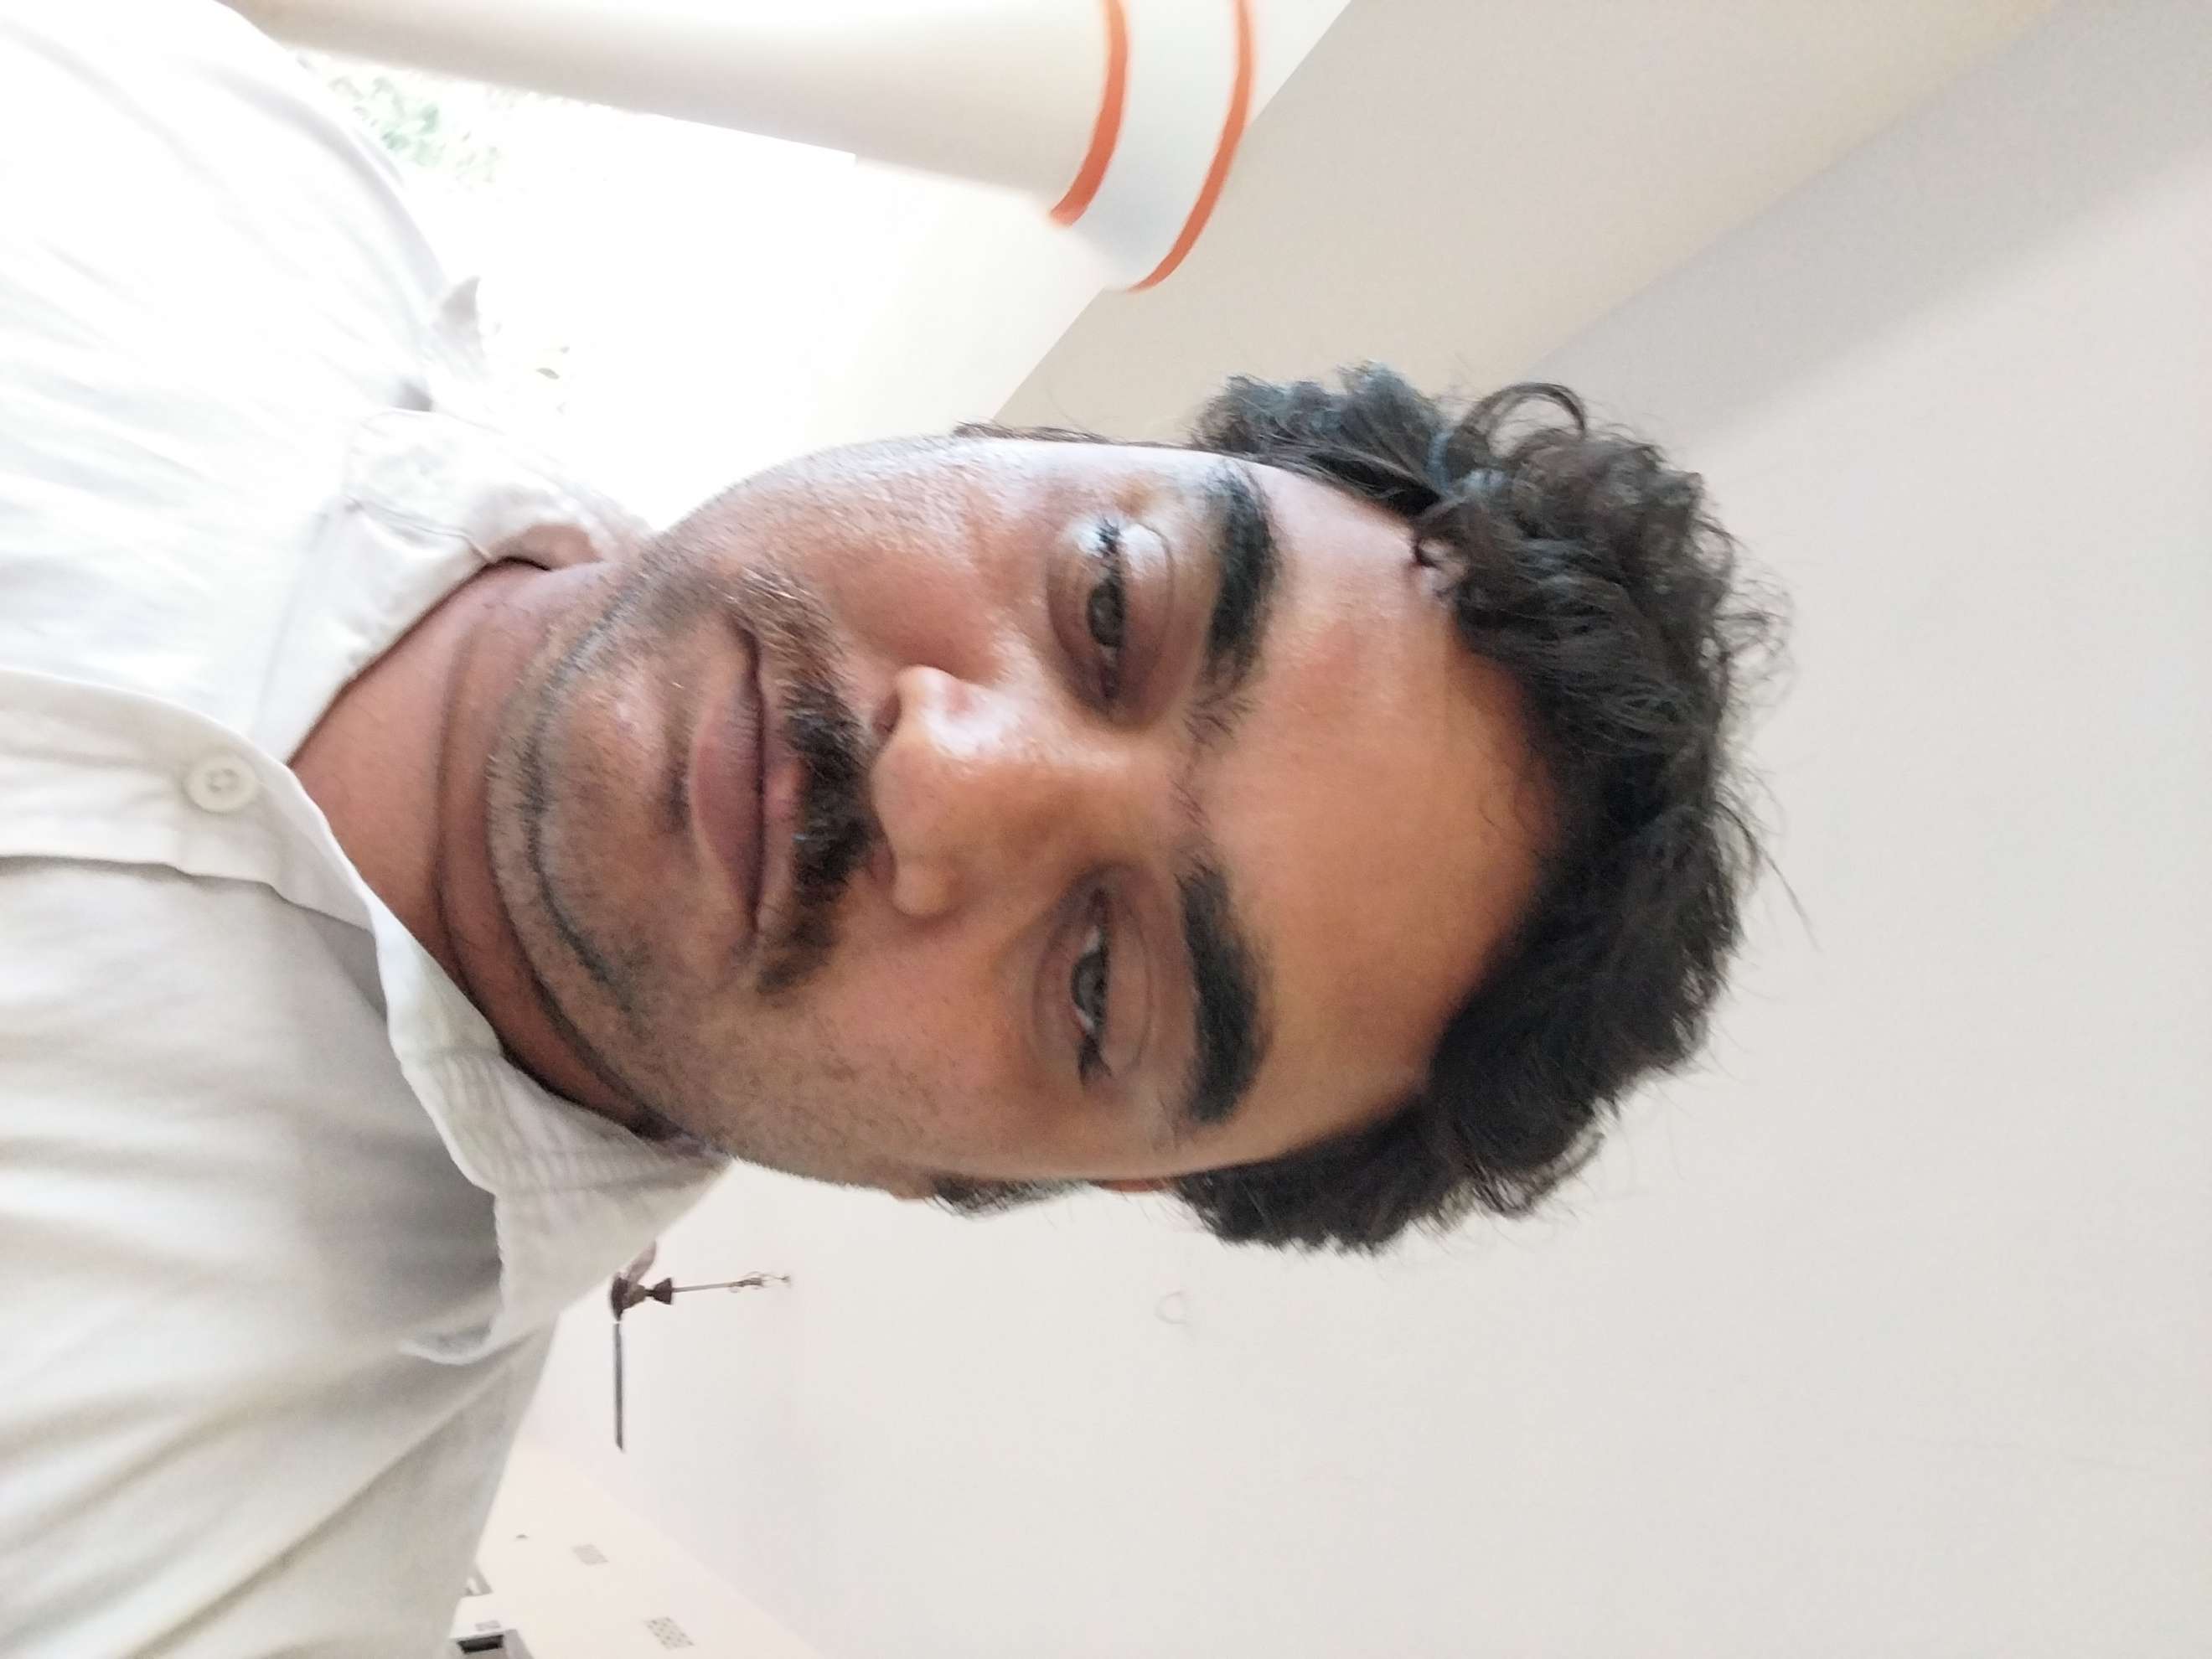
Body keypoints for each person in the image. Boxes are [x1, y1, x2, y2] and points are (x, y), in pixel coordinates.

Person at [0, 2, 1777, 1654]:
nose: (943, 775)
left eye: (1100, 982)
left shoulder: (193, 1589)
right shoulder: (182, 141)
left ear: (1013, 1175)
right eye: (1108, 601)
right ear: (1014, 438)